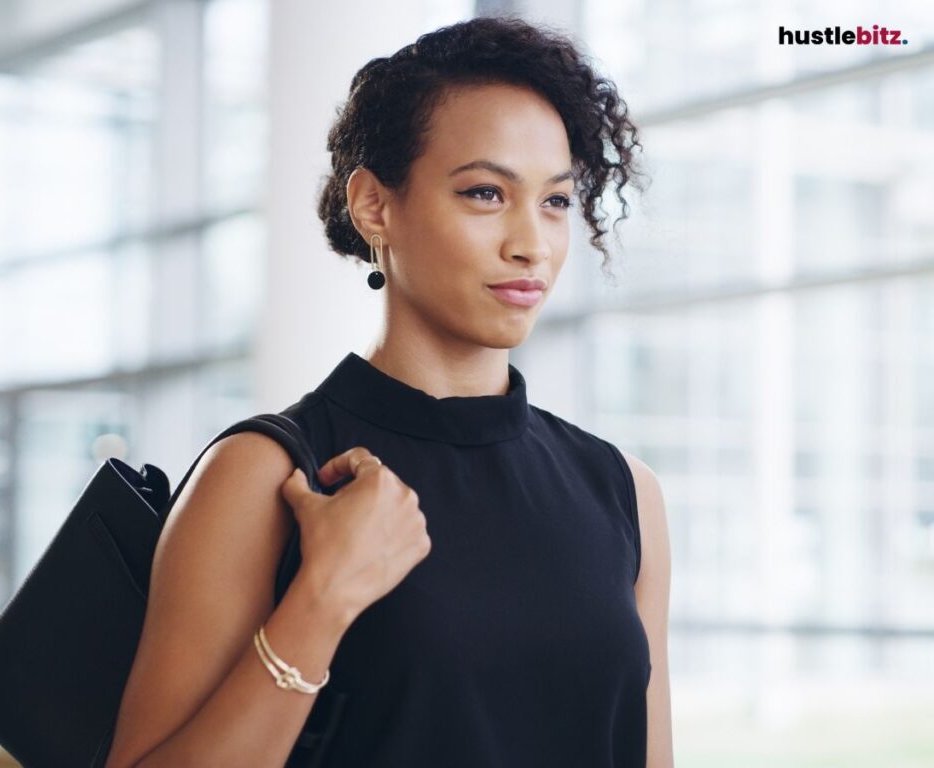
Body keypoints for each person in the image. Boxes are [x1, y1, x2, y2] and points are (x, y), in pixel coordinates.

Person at [104, 14, 673, 768]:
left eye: (556, 202)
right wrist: (324, 597)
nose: (530, 243)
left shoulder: (624, 491)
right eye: (484, 193)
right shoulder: (266, 474)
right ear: (375, 205)